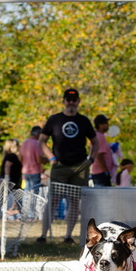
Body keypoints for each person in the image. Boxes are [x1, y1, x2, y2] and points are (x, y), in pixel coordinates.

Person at [36, 88, 99, 244]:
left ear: (78, 102)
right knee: (53, 200)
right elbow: (42, 141)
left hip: (80, 166)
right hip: (59, 165)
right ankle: (43, 235)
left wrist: (90, 160)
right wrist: (51, 158)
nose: (71, 103)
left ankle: (68, 236)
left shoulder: (83, 120)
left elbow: (95, 142)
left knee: (74, 201)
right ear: (64, 101)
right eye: (68, 100)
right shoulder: (54, 120)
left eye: (74, 100)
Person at [19, 126, 43, 194]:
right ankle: (32, 205)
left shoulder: (25, 142)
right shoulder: (37, 143)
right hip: (35, 171)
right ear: (37, 133)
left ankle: (25, 204)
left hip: (25, 171)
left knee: (26, 191)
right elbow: (39, 160)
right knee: (34, 192)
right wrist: (47, 160)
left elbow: (20, 157)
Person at [91, 115, 113, 186]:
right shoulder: (100, 136)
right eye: (106, 123)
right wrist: (105, 171)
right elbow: (99, 156)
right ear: (100, 125)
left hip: (98, 172)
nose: (107, 125)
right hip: (100, 172)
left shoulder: (97, 135)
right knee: (104, 195)